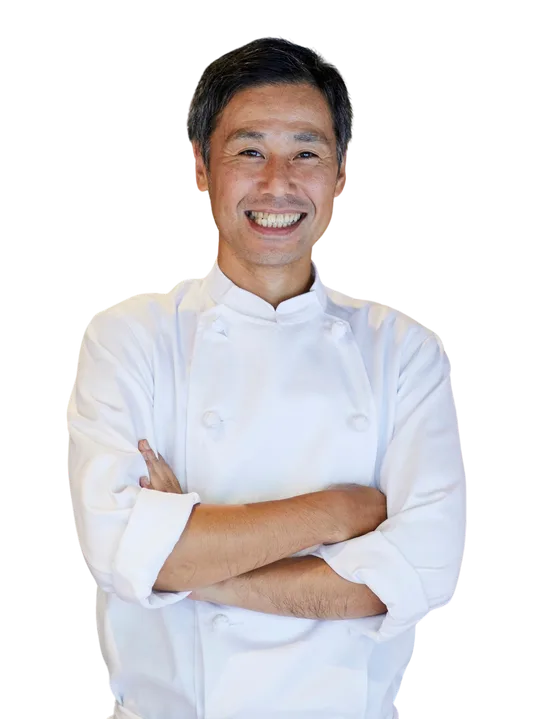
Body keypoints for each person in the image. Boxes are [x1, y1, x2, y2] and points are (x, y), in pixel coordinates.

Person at [66, 37, 466, 719]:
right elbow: (116, 550)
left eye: (306, 153)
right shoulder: (129, 338)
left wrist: (186, 563)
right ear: (200, 168)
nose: (278, 183)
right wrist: (339, 511)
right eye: (249, 151)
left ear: (340, 175)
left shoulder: (402, 351)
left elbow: (420, 571)